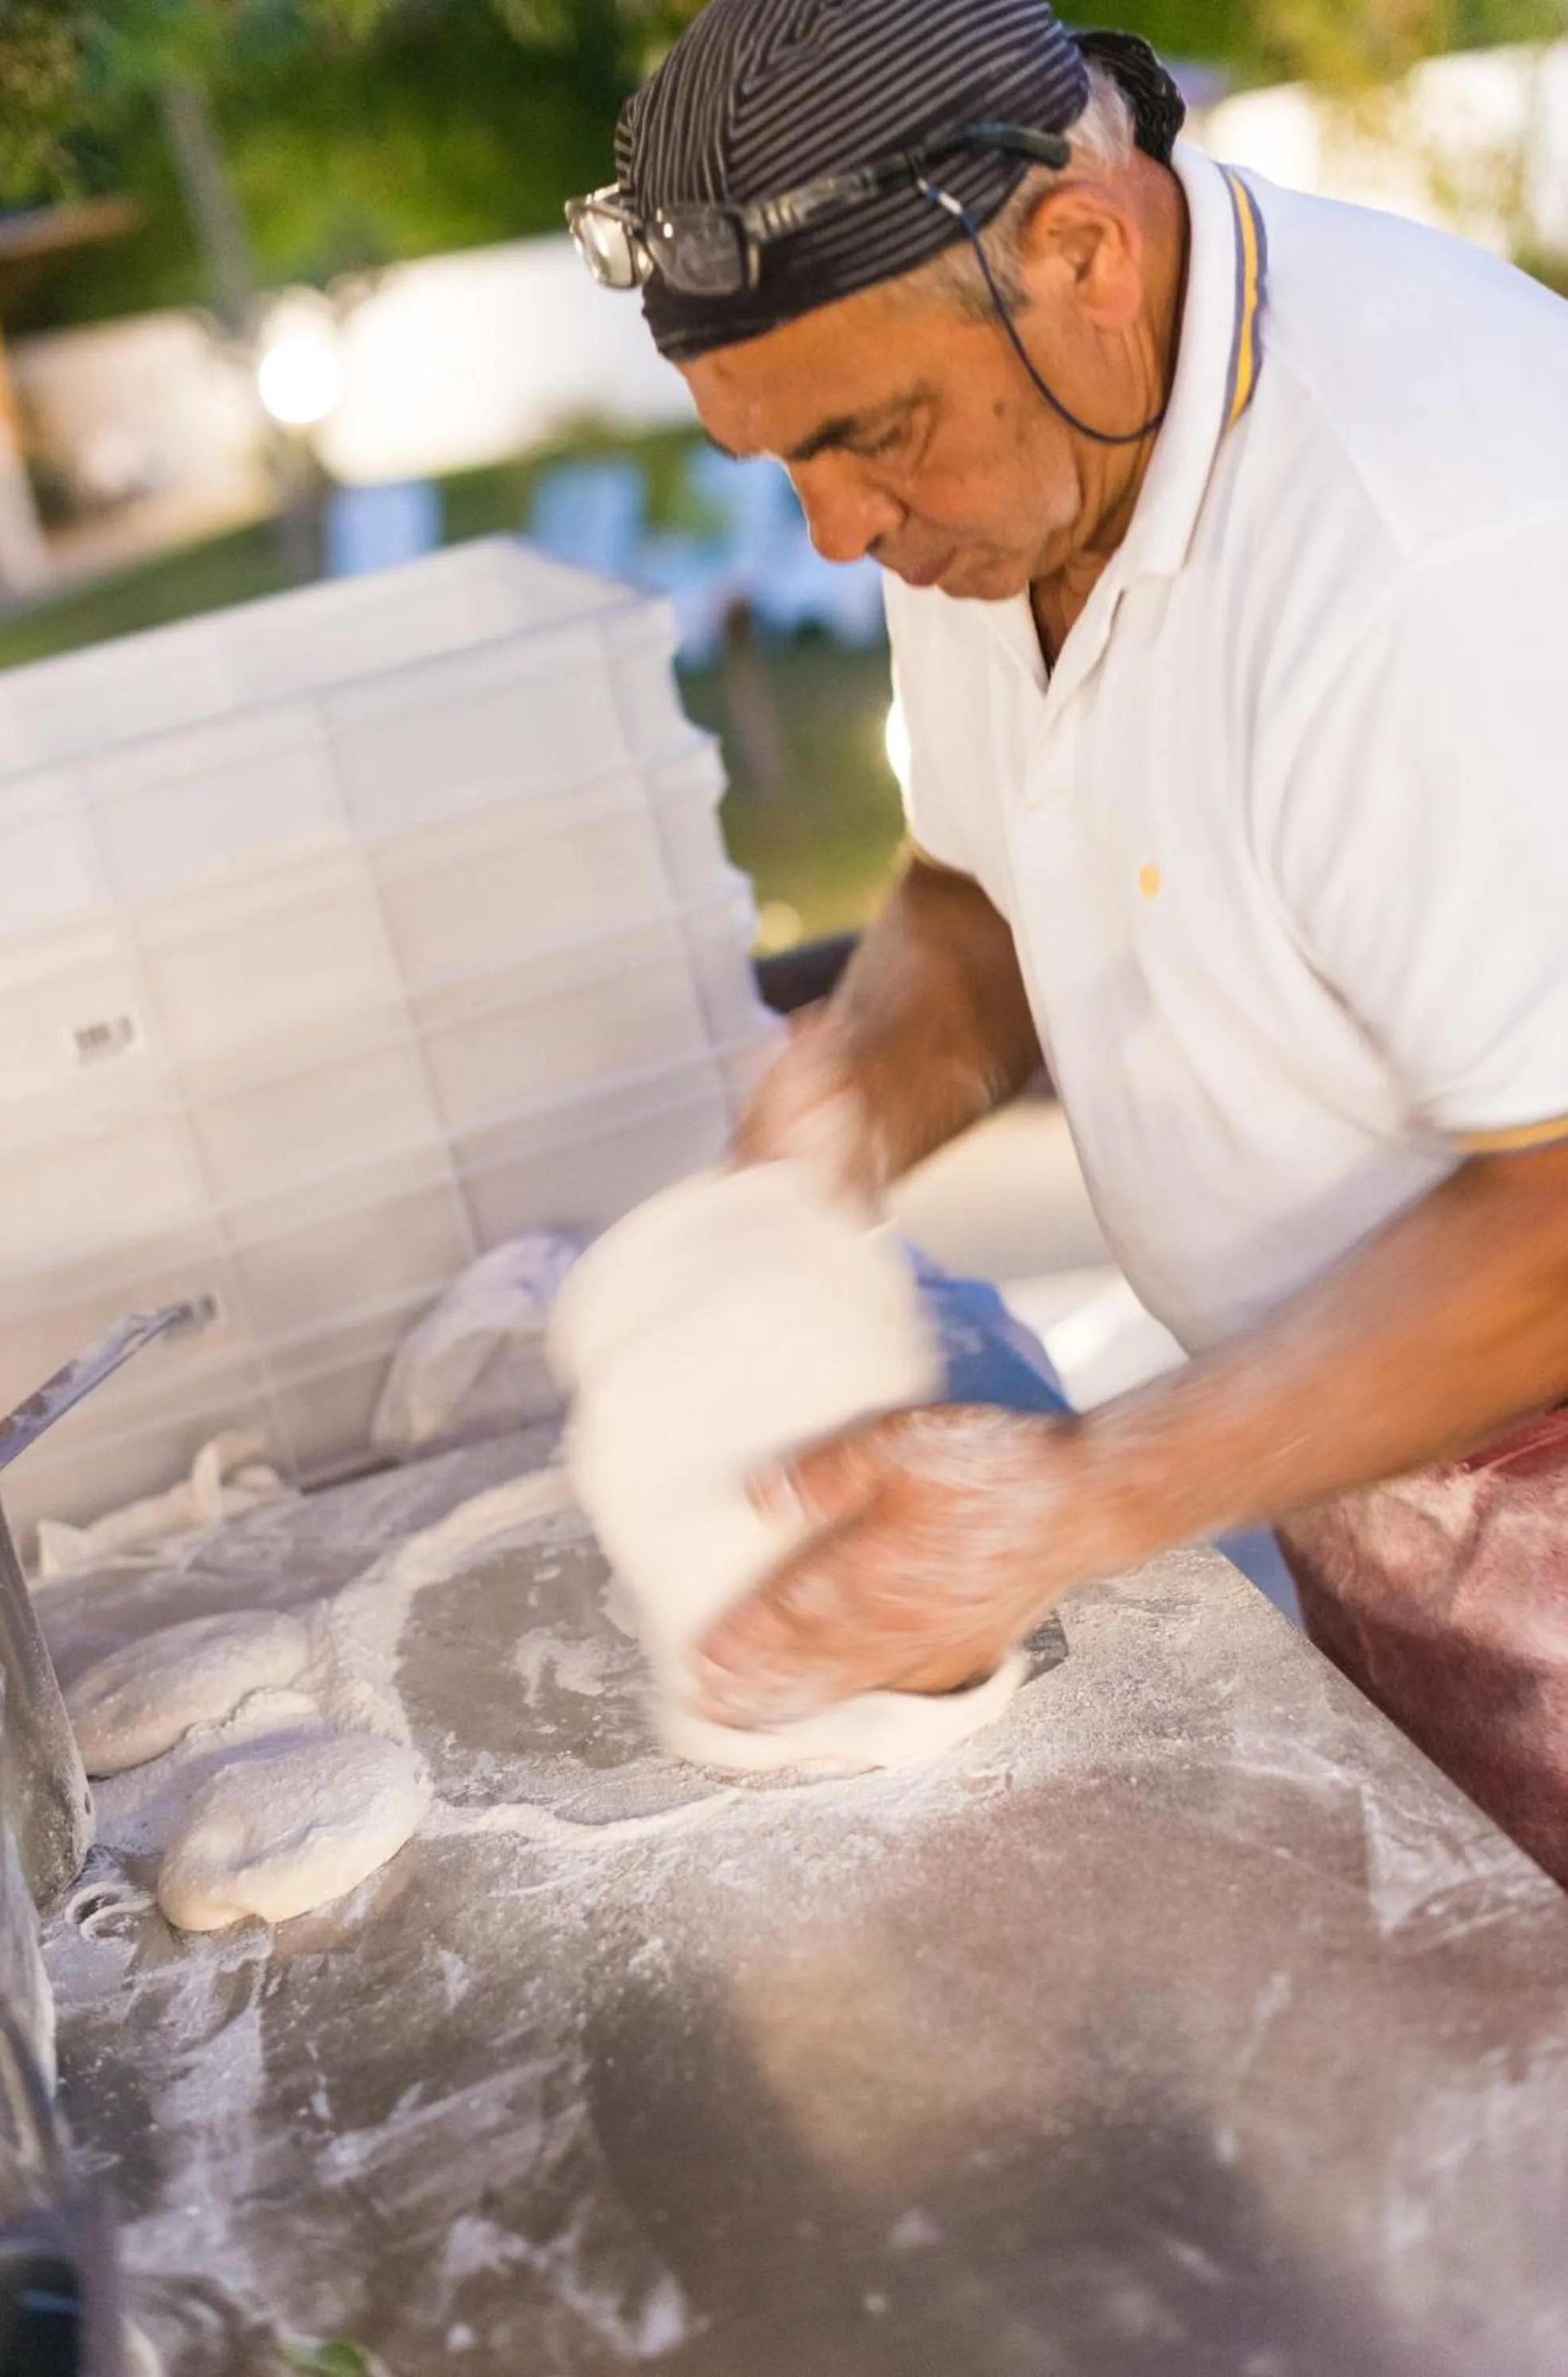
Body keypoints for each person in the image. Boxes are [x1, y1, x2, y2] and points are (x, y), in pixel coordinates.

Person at [567, 0, 1568, 1883]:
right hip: (1355, 1454)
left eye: (867, 440)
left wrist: (1069, 1500)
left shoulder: (1438, 544)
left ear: (1082, 249)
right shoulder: (1012, 446)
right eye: (778, 464)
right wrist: (831, 1129)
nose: (836, 528)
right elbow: (991, 869)